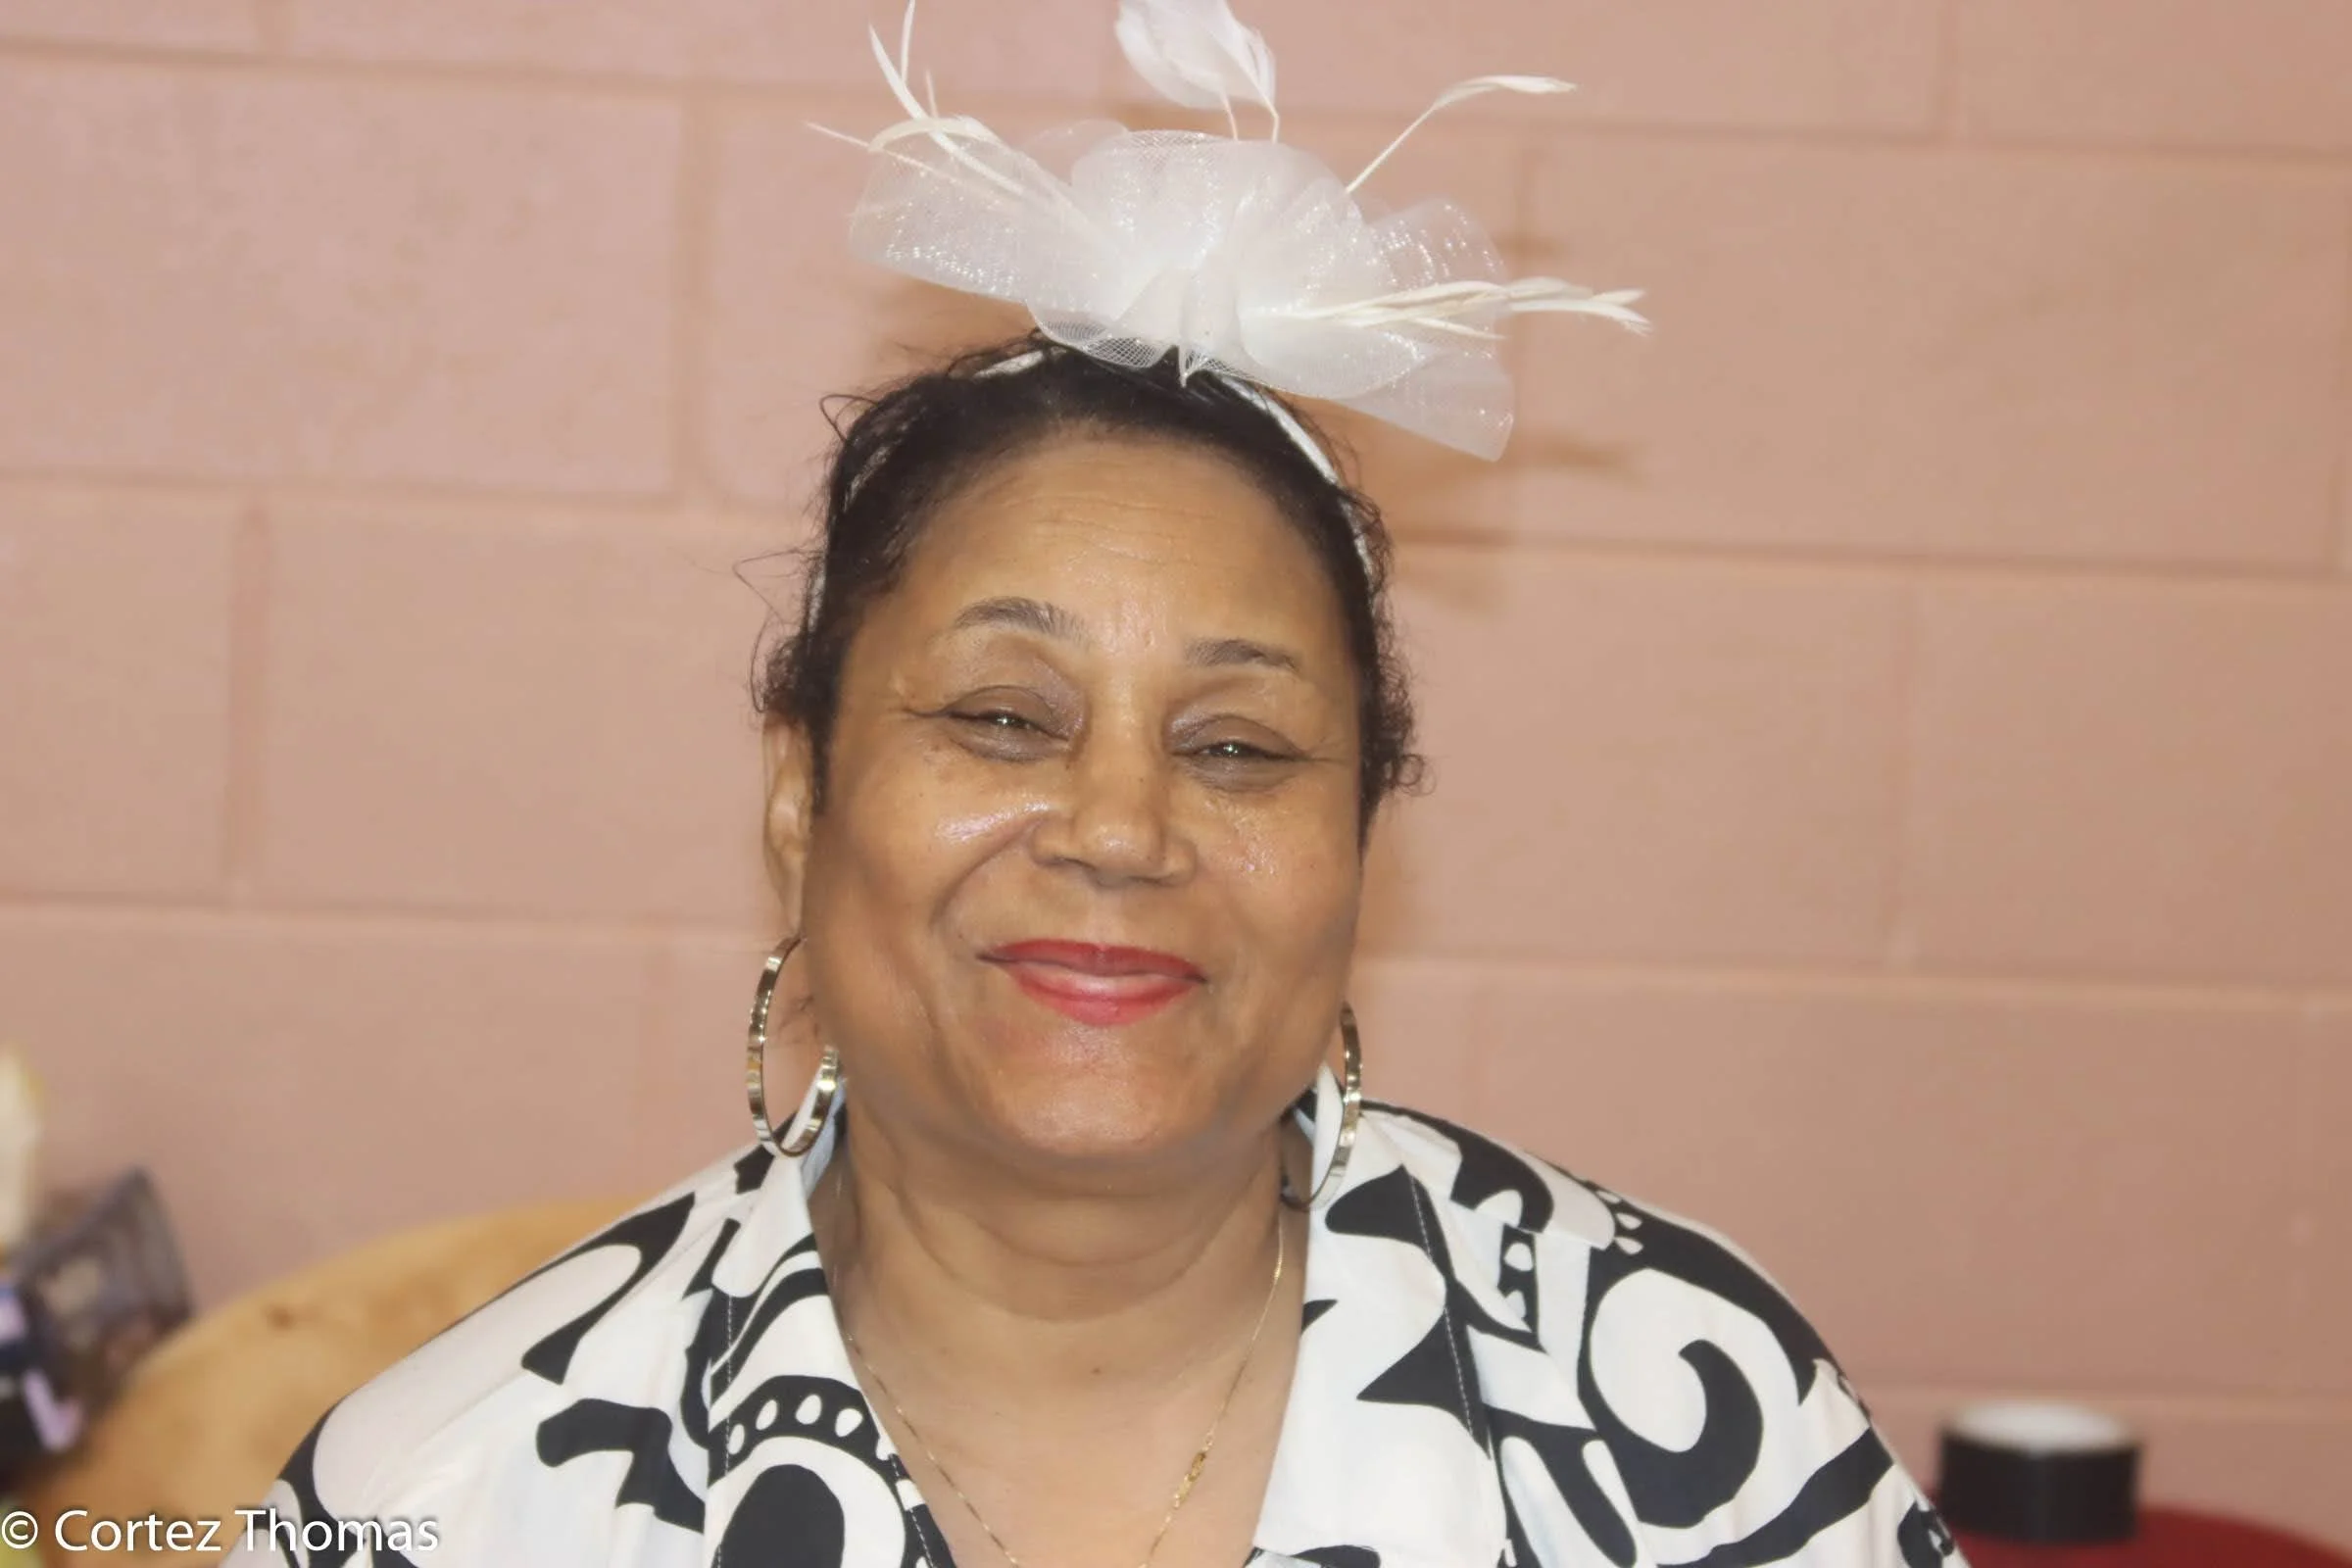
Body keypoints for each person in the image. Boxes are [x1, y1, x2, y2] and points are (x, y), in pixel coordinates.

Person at [227, 4, 1963, 1566]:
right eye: (1002, 718)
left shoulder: (1693, 1420)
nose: (1123, 830)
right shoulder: (447, 1495)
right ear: (801, 795)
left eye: (1236, 748)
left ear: (1363, 840)